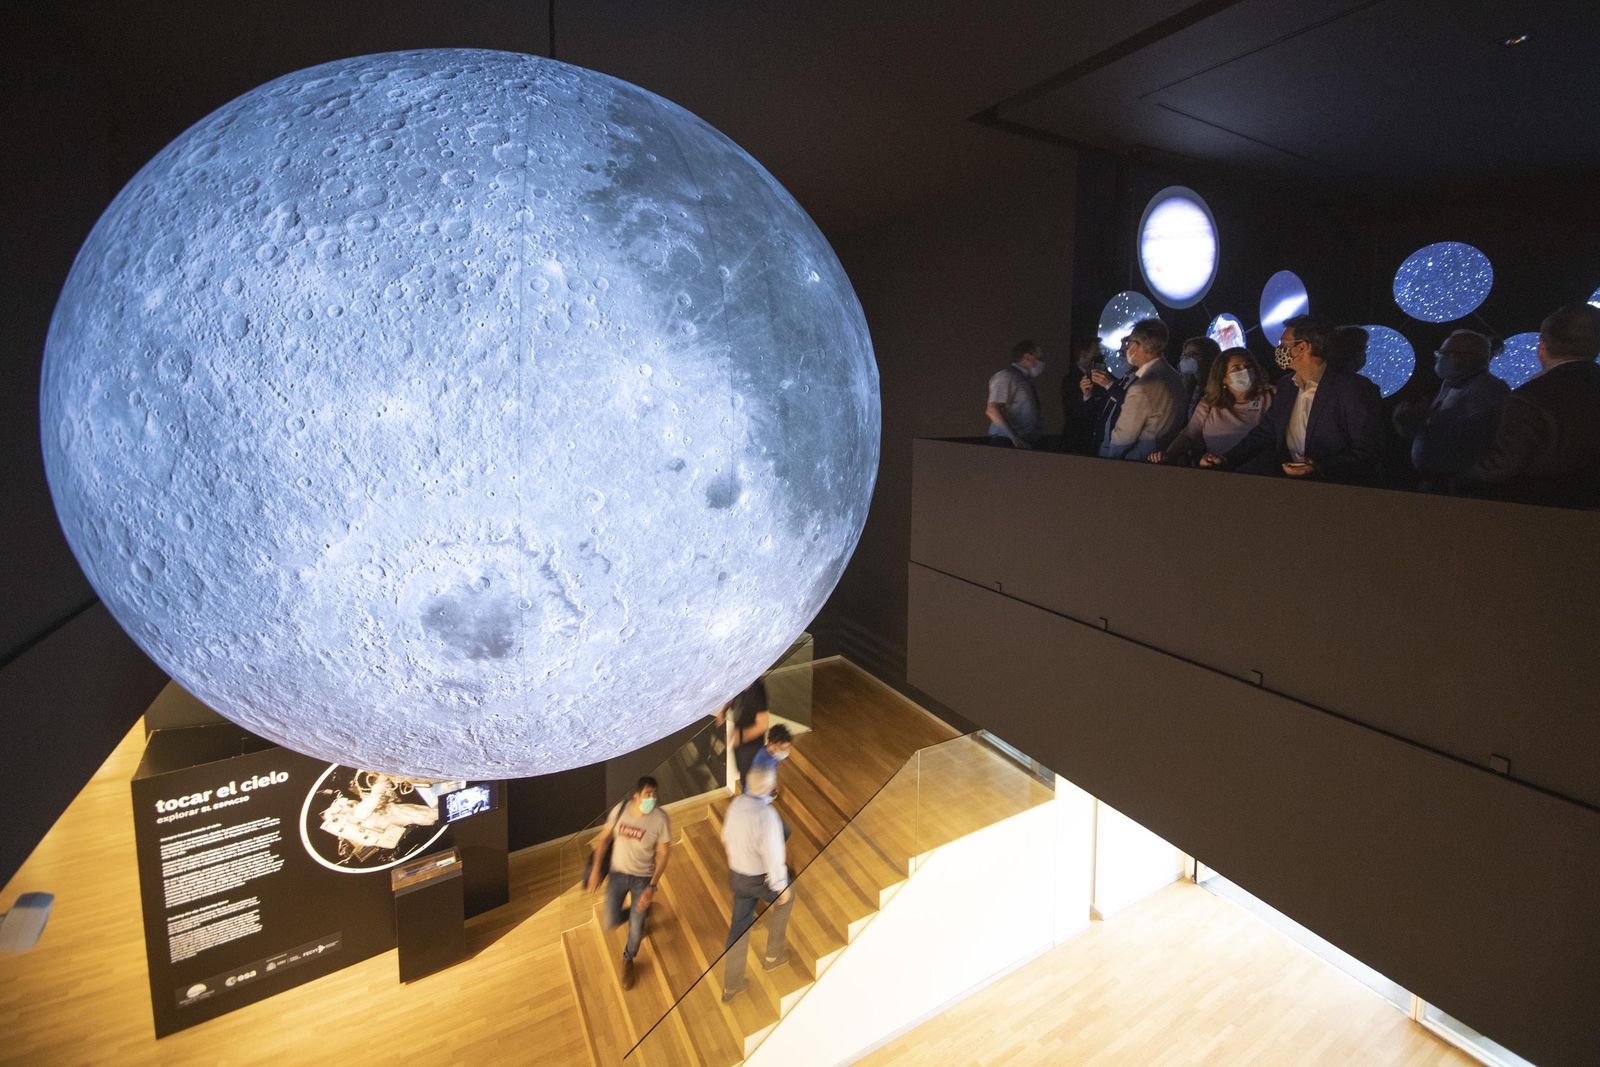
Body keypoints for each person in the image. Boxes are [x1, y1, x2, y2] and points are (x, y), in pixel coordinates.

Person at [1202, 314, 1383, 484]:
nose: (1279, 350)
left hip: (1337, 491)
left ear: (1302, 347)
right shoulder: (1287, 385)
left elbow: (1368, 450)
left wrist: (1320, 468)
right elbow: (1266, 432)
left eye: (1283, 344)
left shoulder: (1353, 389)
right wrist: (1227, 459)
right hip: (1290, 488)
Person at [1457, 303, 1600, 508]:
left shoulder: (1530, 398)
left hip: (1537, 517)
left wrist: (1455, 477)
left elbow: (1499, 468)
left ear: (1542, 344)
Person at [1392, 329, 1508, 489]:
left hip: (1457, 488)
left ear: (1459, 356)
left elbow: (1481, 436)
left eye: (1442, 353)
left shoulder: (1487, 389)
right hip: (1438, 484)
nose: (1438, 358)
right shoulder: (1451, 383)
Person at [586, 776, 672, 991]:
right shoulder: (620, 810)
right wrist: (596, 869)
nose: (651, 799)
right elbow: (604, 838)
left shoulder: (660, 819)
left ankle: (628, 958)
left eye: (654, 794)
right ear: (637, 795)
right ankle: (642, 913)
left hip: (642, 878)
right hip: (617, 874)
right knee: (611, 920)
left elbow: (664, 851)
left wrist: (652, 886)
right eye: (647, 795)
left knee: (635, 929)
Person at [720, 764, 794, 1002]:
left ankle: (731, 985)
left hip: (737, 877)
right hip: (757, 879)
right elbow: (773, 855)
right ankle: (773, 956)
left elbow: (725, 837)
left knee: (738, 928)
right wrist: (781, 887)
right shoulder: (767, 816)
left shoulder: (737, 805)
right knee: (786, 900)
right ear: (770, 787)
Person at [1148, 346, 1273, 465]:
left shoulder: (1271, 396)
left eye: (1248, 366)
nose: (1245, 371)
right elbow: (1189, 434)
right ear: (1223, 378)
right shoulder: (1210, 402)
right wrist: (1169, 455)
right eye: (1236, 368)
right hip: (1215, 469)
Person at [1099, 319, 1186, 461]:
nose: (1126, 348)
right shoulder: (1174, 376)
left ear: (1137, 345)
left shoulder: (1142, 387)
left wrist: (1109, 461)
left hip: (1137, 463)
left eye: (1129, 343)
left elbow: (1123, 437)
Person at [985, 340, 1046, 448]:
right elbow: (992, 409)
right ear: (1027, 357)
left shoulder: (1023, 380)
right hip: (1006, 442)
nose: (1042, 362)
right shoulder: (1007, 376)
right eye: (1039, 358)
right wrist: (1015, 438)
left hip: (1022, 441)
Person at [715, 677, 769, 791]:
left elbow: (762, 724)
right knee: (744, 774)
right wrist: (723, 711)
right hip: (740, 744)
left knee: (750, 778)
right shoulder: (739, 681)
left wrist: (740, 736)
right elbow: (732, 697)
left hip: (751, 747)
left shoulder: (757, 691)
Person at [1059, 337, 1100, 454]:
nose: (1099, 354)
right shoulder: (1071, 379)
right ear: (1084, 354)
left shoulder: (1091, 376)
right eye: (1096, 350)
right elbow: (1072, 409)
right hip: (1076, 440)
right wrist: (1087, 396)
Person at [1177, 336, 1222, 419]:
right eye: (1185, 354)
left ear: (1209, 358)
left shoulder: (1218, 392)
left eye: (1193, 355)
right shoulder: (1181, 386)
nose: (1187, 359)